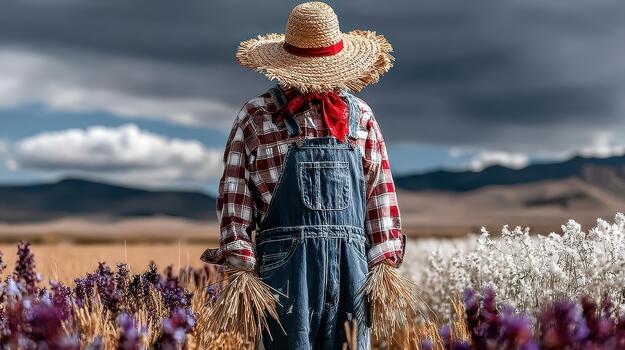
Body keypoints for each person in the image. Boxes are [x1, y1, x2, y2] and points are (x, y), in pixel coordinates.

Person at [201, 2, 405, 349]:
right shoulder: (257, 115)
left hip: (352, 272)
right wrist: (242, 265)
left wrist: (384, 263)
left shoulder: (360, 118)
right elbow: (235, 199)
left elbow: (380, 198)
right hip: (285, 276)